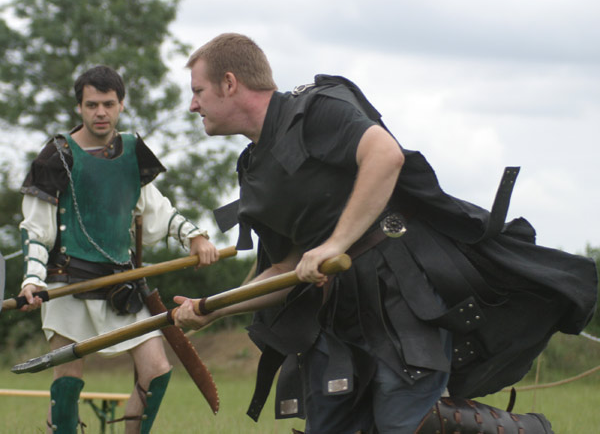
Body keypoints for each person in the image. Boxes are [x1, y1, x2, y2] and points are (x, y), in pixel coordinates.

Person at [174, 34, 597, 434]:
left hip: (401, 299)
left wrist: (335, 243)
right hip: (333, 319)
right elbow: (286, 269)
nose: (193, 105)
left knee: (402, 426)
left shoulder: (317, 107)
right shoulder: (254, 168)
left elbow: (385, 154)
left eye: (198, 91)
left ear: (230, 83)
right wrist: (214, 307)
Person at [18, 65, 220, 434]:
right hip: (67, 283)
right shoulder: (56, 155)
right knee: (67, 380)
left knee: (156, 370)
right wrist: (32, 279)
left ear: (121, 105)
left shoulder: (131, 152)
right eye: (92, 104)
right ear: (79, 107)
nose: (101, 112)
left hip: (120, 284)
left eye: (108, 104)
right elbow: (35, 228)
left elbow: (156, 208)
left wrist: (194, 237)